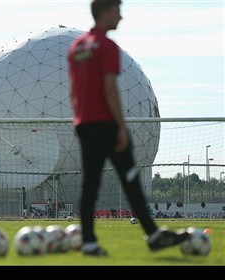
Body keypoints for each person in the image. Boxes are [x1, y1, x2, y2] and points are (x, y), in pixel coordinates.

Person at [67, 0, 189, 256]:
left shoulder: (77, 48)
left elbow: (75, 89)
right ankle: (153, 235)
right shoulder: (107, 46)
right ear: (105, 12)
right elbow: (110, 87)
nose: (121, 17)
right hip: (107, 125)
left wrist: (81, 120)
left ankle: (89, 243)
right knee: (131, 180)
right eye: (117, 11)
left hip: (85, 125)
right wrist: (121, 126)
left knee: (90, 185)